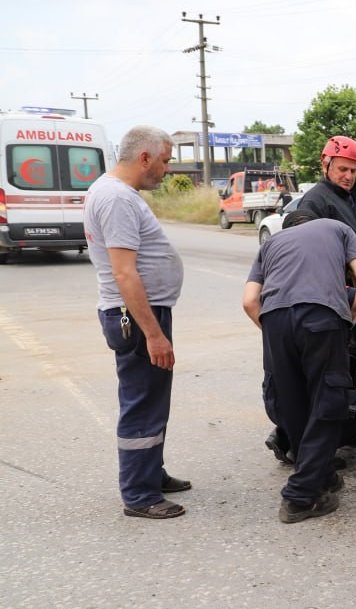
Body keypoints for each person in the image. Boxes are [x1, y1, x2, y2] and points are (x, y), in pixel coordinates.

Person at [243, 209, 356, 523]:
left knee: (296, 405)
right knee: (329, 404)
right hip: (320, 317)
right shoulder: (338, 227)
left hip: (274, 320)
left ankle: (321, 476)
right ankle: (300, 498)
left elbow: (249, 302)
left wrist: (277, 333)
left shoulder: (271, 242)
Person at [83, 125, 190, 520]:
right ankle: (139, 495)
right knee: (142, 405)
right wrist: (154, 334)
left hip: (141, 313)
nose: (166, 170)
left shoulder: (115, 193)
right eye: (164, 161)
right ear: (144, 158)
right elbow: (125, 273)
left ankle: (151, 473)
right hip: (136, 316)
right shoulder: (116, 198)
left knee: (152, 401)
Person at [297, 135, 356, 276]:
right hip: (339, 293)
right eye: (343, 169)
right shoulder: (315, 201)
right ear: (325, 166)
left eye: (353, 171)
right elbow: (306, 257)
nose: (349, 176)